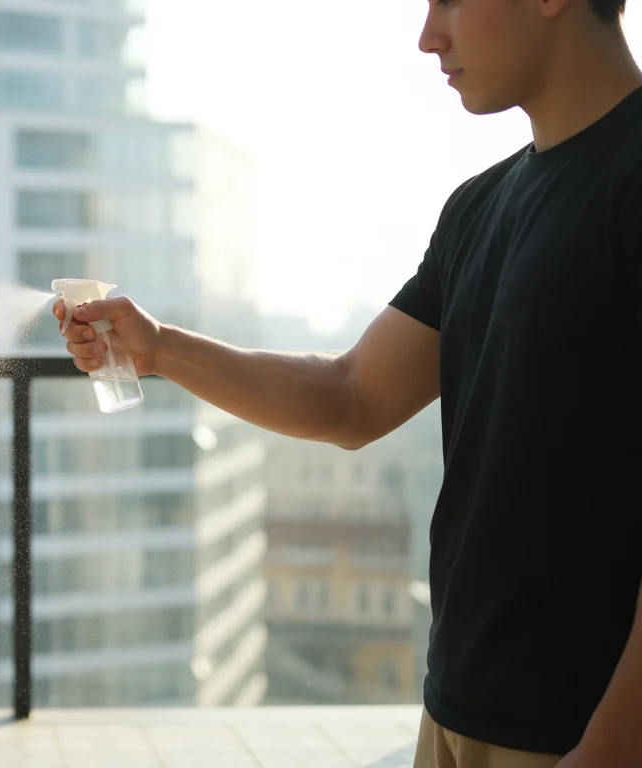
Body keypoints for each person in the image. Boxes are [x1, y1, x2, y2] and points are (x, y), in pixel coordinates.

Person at [56, 1, 642, 766]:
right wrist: (159, 348)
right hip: (458, 712)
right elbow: (351, 396)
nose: (428, 35)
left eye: (450, 0)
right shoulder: (479, 208)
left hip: (582, 733)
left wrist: (607, 752)